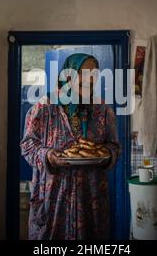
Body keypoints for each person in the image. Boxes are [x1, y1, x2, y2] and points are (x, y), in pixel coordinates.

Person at [20, 53, 120, 240]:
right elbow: (27, 145)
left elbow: (114, 146)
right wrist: (48, 155)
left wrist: (106, 153)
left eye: (95, 74)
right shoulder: (44, 107)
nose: (91, 78)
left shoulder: (103, 111)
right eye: (85, 73)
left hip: (90, 197)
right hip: (52, 197)